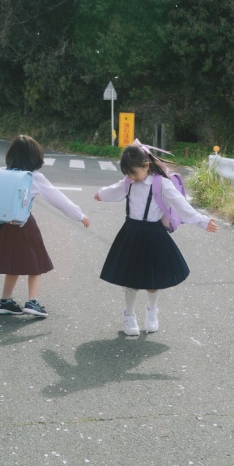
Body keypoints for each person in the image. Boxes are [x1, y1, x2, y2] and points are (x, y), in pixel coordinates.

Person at [94, 140, 217, 336]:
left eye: (134, 173)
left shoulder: (162, 184)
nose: (131, 177)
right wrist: (101, 194)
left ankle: (152, 311)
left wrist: (202, 221)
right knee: (131, 280)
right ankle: (129, 315)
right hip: (131, 233)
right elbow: (116, 189)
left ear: (146, 165)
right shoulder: (129, 182)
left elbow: (181, 205)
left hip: (154, 234)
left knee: (153, 280)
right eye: (128, 174)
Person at [0, 135, 90, 317]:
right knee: (36, 265)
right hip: (23, 226)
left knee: (13, 265)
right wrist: (79, 215)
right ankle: (32, 302)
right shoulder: (34, 177)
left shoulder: (1, 173)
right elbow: (58, 199)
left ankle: (5, 301)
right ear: (35, 157)